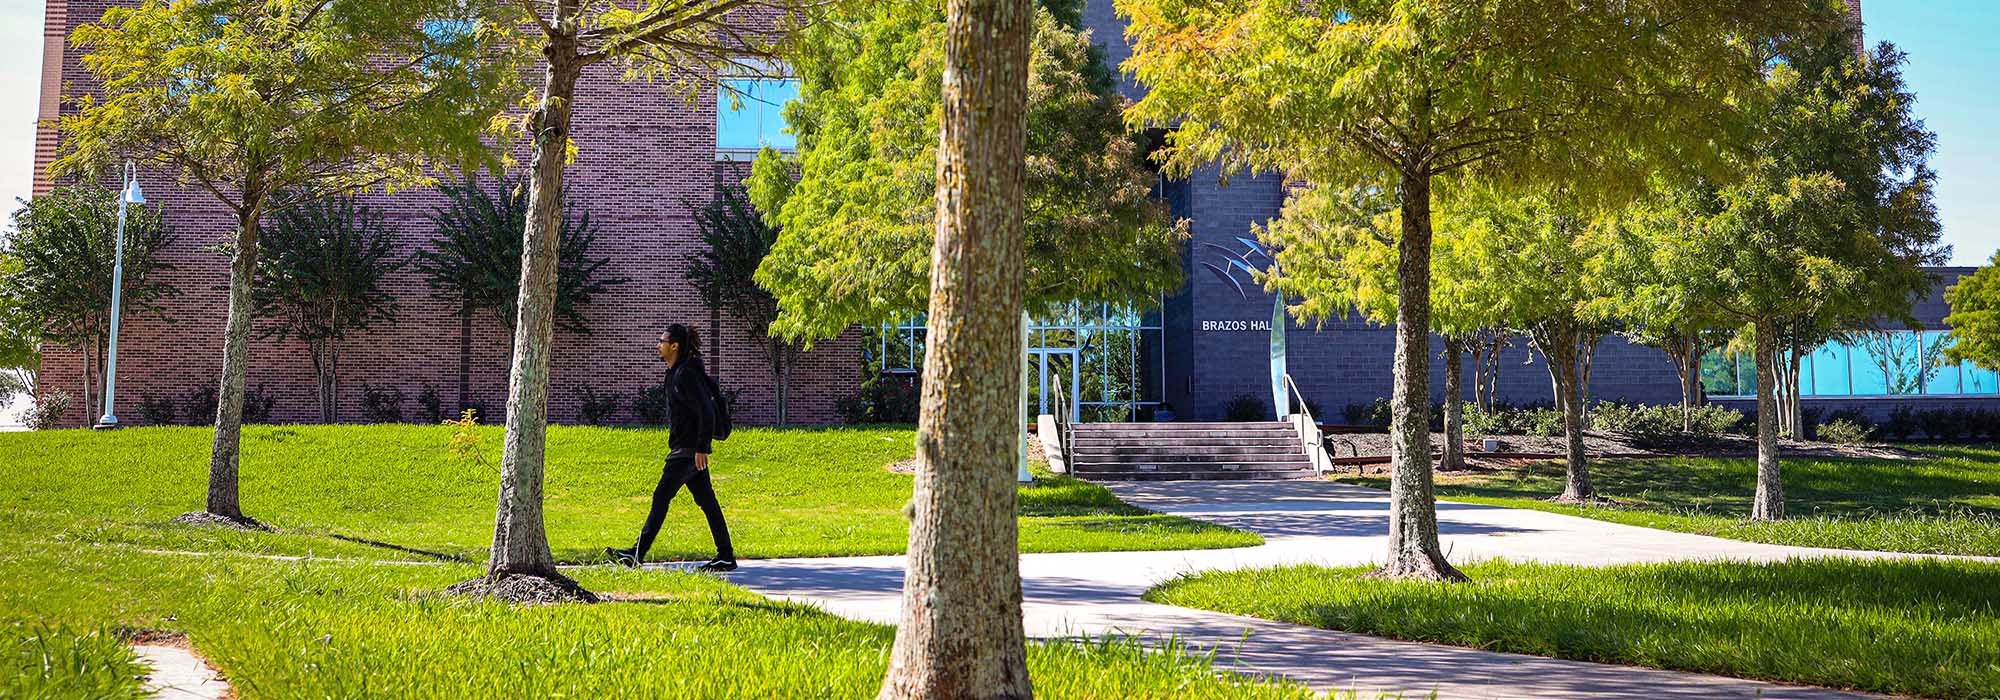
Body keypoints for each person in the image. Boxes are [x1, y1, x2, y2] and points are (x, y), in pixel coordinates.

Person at [606, 323, 737, 572]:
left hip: (687, 453)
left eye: (662, 341)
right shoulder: (675, 373)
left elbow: (707, 412)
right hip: (686, 450)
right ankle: (726, 556)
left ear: (674, 345)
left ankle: (636, 553)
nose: (659, 345)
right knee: (708, 502)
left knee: (661, 497)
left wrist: (701, 448)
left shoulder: (686, 375)